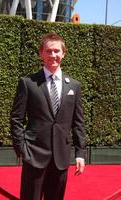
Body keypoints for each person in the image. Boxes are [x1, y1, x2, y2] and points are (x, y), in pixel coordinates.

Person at [10, 32, 86, 200]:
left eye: (57, 51)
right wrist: (22, 149)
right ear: (41, 54)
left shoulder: (74, 85)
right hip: (34, 156)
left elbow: (78, 123)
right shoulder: (28, 83)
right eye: (49, 51)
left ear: (63, 53)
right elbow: (16, 118)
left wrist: (80, 153)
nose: (53, 55)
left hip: (61, 159)